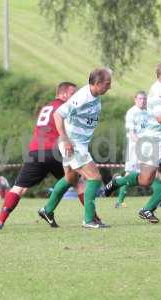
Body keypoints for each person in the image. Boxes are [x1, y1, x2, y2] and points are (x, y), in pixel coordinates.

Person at [0, 82, 103, 229]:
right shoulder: (64, 108)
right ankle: (93, 218)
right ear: (63, 93)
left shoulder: (46, 107)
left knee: (19, 187)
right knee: (77, 182)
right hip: (56, 150)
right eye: (72, 93)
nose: (74, 96)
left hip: (36, 151)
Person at [104, 60, 161, 223]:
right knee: (145, 181)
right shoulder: (158, 92)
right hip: (152, 141)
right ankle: (118, 181)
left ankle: (147, 209)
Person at [38, 68, 112, 229]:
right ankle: (89, 220)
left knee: (71, 179)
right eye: (107, 84)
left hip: (79, 143)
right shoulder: (82, 97)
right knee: (94, 178)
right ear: (97, 83)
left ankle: (47, 210)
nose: (110, 87)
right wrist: (65, 140)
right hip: (73, 144)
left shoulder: (95, 96)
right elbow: (58, 114)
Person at [115, 91, 148, 208]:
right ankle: (119, 201)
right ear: (135, 99)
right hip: (135, 148)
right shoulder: (131, 112)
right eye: (140, 99)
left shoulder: (147, 112)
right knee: (129, 174)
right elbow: (131, 132)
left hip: (147, 147)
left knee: (155, 171)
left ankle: (160, 199)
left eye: (144, 99)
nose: (142, 101)